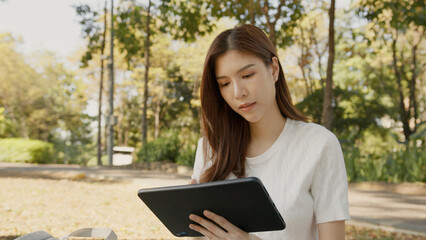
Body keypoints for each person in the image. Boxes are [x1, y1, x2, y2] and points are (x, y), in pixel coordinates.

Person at [188, 24, 350, 240]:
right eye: (225, 83)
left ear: (274, 69)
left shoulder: (319, 145)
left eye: (247, 75)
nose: (238, 93)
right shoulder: (210, 147)